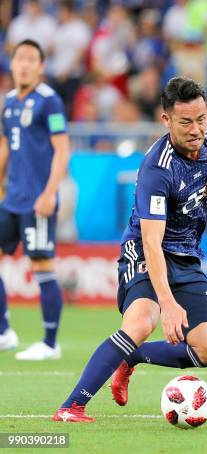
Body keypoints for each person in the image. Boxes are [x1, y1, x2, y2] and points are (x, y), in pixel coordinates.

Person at [52, 77, 207, 422]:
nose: (196, 130)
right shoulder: (157, 170)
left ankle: (132, 357)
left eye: (202, 119)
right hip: (146, 252)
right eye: (186, 122)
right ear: (166, 120)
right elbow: (151, 242)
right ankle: (71, 406)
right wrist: (167, 304)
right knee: (140, 323)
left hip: (186, 256)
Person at [0, 39, 70, 360]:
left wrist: (49, 192)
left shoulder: (49, 101)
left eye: (31, 59)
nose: (24, 64)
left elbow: (62, 150)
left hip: (37, 200)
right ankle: (4, 332)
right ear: (12, 64)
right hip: (11, 199)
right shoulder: (10, 101)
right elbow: (5, 147)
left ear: (41, 67)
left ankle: (50, 343)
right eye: (20, 58)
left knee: (42, 265)